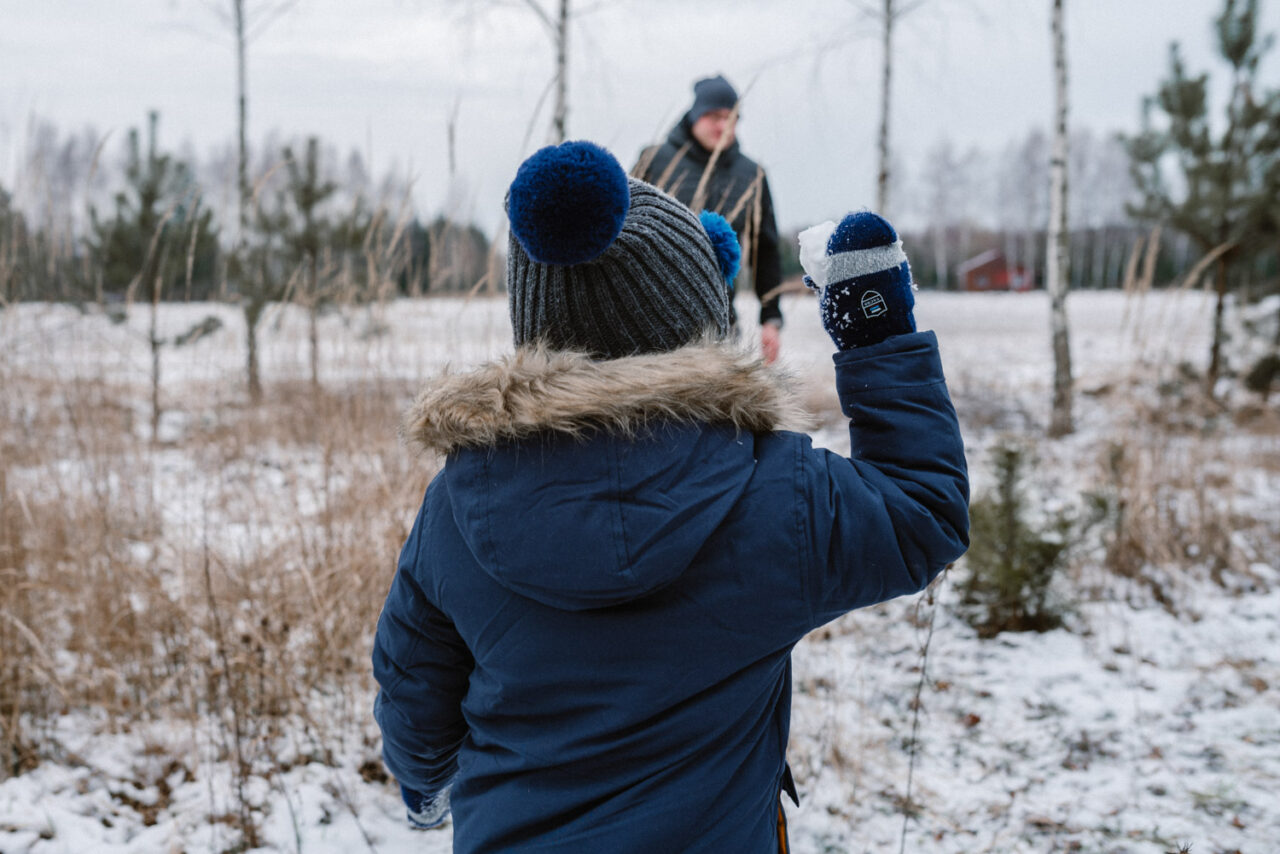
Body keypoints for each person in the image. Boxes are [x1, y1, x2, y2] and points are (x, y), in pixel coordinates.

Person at [372, 140, 969, 853]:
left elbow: (415, 688)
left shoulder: (459, 506)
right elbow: (922, 515)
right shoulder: (775, 491)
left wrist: (426, 784)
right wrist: (877, 338)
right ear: (699, 321)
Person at [633, 74, 785, 363]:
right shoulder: (654, 159)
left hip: (721, 320)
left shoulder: (752, 174)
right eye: (714, 116)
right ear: (695, 115)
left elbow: (766, 249)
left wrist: (771, 319)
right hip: (652, 316)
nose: (723, 126)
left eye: (732, 118)